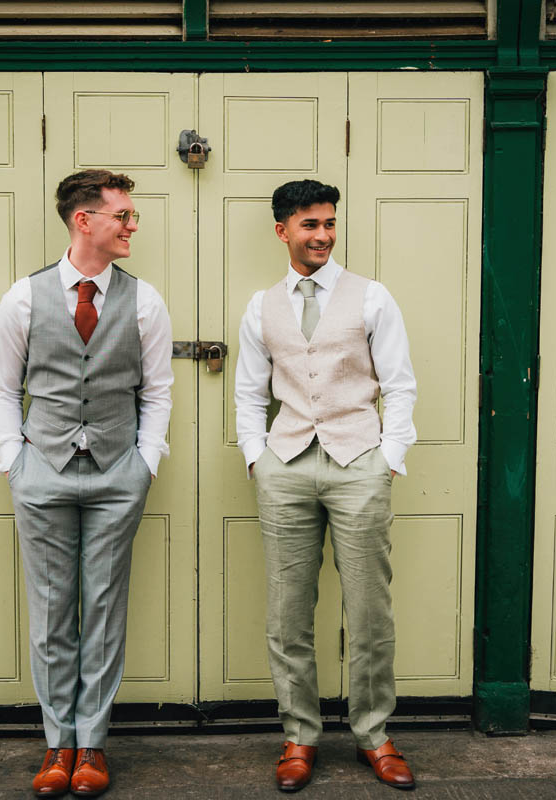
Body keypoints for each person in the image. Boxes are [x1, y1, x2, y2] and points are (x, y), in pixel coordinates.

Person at [0, 169, 173, 797]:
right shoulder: (23, 297)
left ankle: (91, 743)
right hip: (43, 472)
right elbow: (4, 387)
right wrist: (15, 460)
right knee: (50, 611)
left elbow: (158, 389)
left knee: (102, 608)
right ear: (83, 220)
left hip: (119, 471)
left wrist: (146, 461)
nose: (132, 225)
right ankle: (55, 745)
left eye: (131, 214)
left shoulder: (144, 300)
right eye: (122, 214)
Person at [234, 180, 418, 792]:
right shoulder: (261, 306)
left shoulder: (371, 297)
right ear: (282, 230)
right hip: (286, 464)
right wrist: (257, 457)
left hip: (358, 460)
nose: (322, 235)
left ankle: (375, 733)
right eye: (309, 225)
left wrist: (388, 455)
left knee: (369, 607)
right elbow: (249, 391)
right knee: (289, 611)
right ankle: (299, 736)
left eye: (329, 224)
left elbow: (400, 382)